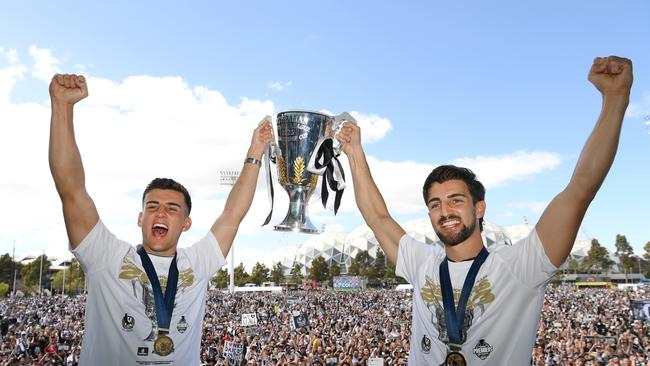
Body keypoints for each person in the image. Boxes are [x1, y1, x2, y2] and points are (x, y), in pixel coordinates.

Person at [336, 56, 633, 365]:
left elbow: (580, 190)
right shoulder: (421, 262)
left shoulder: (520, 266)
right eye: (435, 204)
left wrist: (615, 100)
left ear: (479, 208)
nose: (445, 211)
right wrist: (355, 153)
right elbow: (377, 217)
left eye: (456, 200)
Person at [48, 73, 273, 365]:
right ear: (140, 218)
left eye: (172, 208)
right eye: (152, 206)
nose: (161, 213)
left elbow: (233, 214)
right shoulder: (106, 257)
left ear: (186, 223)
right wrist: (62, 107)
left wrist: (255, 151)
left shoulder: (198, 262)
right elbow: (72, 191)